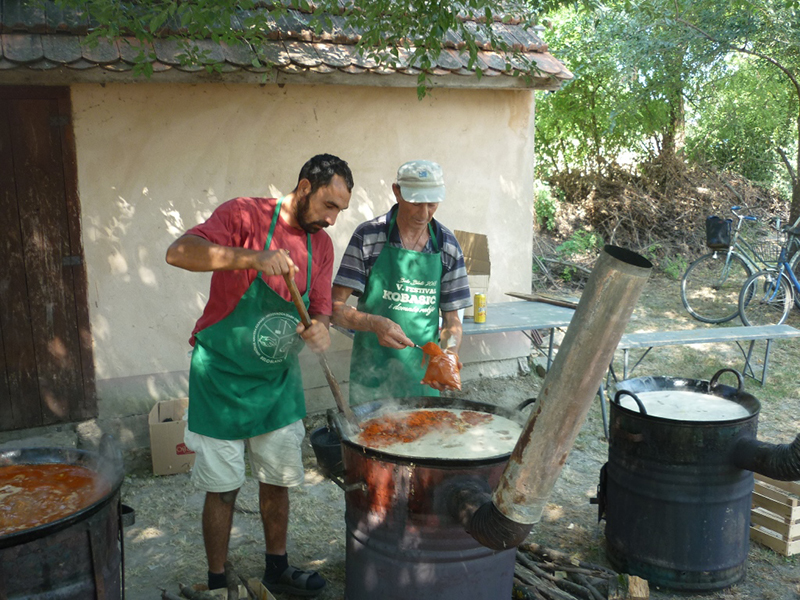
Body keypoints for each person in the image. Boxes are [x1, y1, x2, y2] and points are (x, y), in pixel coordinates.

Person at [165, 154, 353, 596]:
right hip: (221, 378)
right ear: (304, 186)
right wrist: (251, 257)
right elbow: (179, 252)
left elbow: (322, 307)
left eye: (340, 211)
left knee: (278, 480)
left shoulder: (320, 246)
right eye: (328, 205)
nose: (331, 218)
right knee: (223, 488)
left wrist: (321, 330)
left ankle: (277, 567)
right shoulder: (244, 215)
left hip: (276, 383)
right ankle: (216, 582)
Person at [331, 159, 471, 404]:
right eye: (416, 202)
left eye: (432, 204)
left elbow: (452, 321)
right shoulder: (368, 237)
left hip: (423, 378)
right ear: (396, 191)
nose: (424, 214)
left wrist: (448, 356)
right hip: (372, 377)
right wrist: (374, 323)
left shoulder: (447, 246)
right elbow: (334, 309)